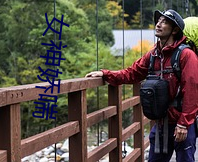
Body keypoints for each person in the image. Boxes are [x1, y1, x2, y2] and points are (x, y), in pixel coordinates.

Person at [85, 9, 198, 162]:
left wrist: (184, 124)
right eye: (158, 21)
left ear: (175, 30)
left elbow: (192, 90)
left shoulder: (186, 55)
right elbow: (132, 73)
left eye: (164, 22)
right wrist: (105, 74)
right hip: (161, 123)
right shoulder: (153, 55)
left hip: (181, 123)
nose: (158, 24)